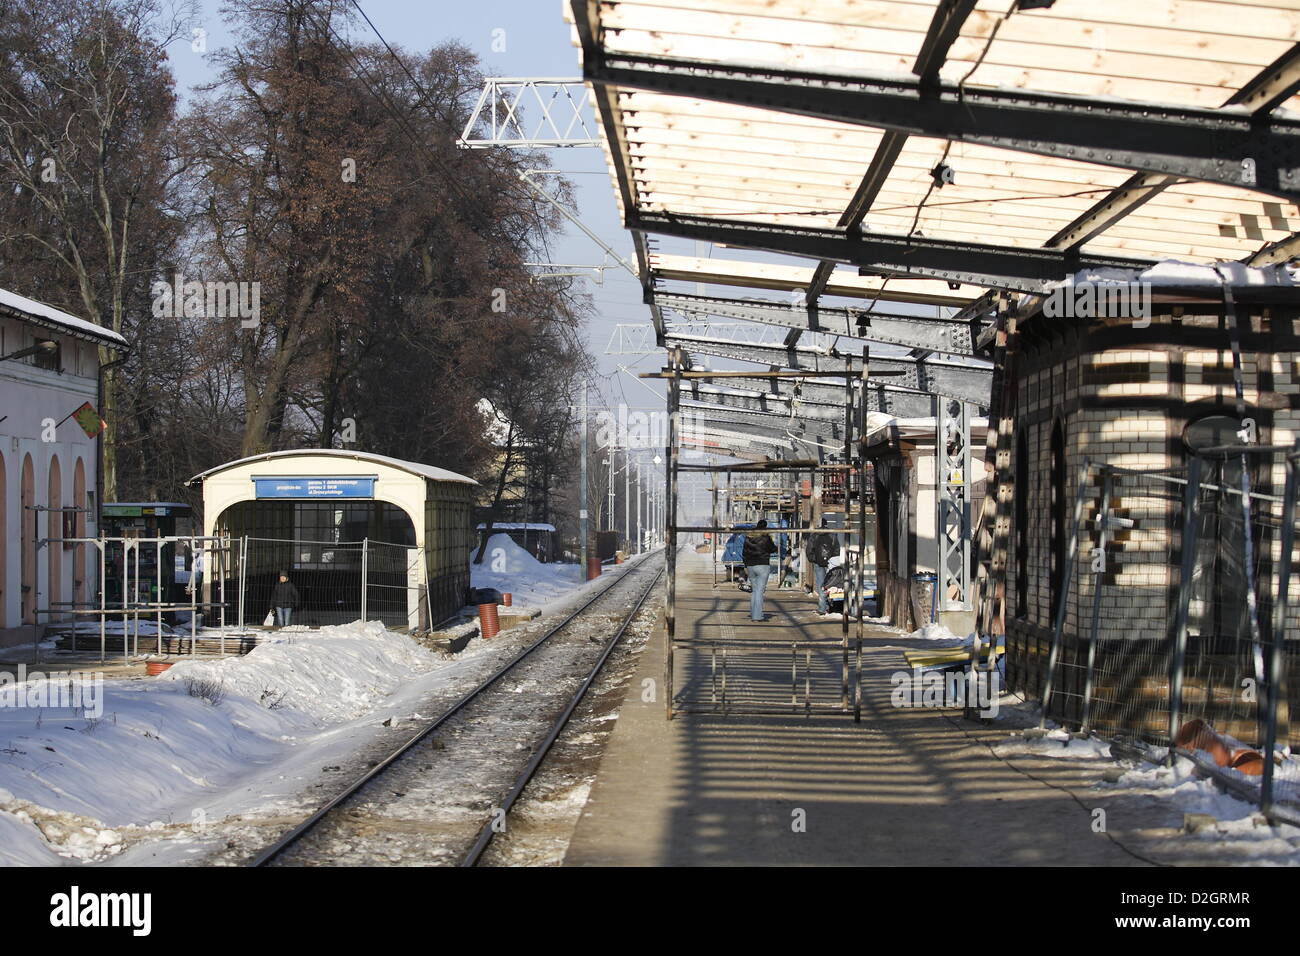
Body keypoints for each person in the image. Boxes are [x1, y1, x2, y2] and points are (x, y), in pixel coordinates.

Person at [742, 520, 778, 622]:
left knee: (754, 590)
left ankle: (753, 613)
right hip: (762, 565)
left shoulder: (748, 537)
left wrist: (746, 565)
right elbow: (772, 548)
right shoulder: (766, 537)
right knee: (759, 591)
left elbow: (744, 552)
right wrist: (776, 547)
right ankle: (757, 616)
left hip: (750, 566)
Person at [805, 519, 839, 616]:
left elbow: (809, 550)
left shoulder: (814, 535)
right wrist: (833, 560)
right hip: (830, 563)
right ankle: (830, 606)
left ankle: (822, 608)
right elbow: (837, 548)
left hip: (818, 563)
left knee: (821, 585)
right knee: (831, 583)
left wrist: (814, 559)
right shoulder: (832, 534)